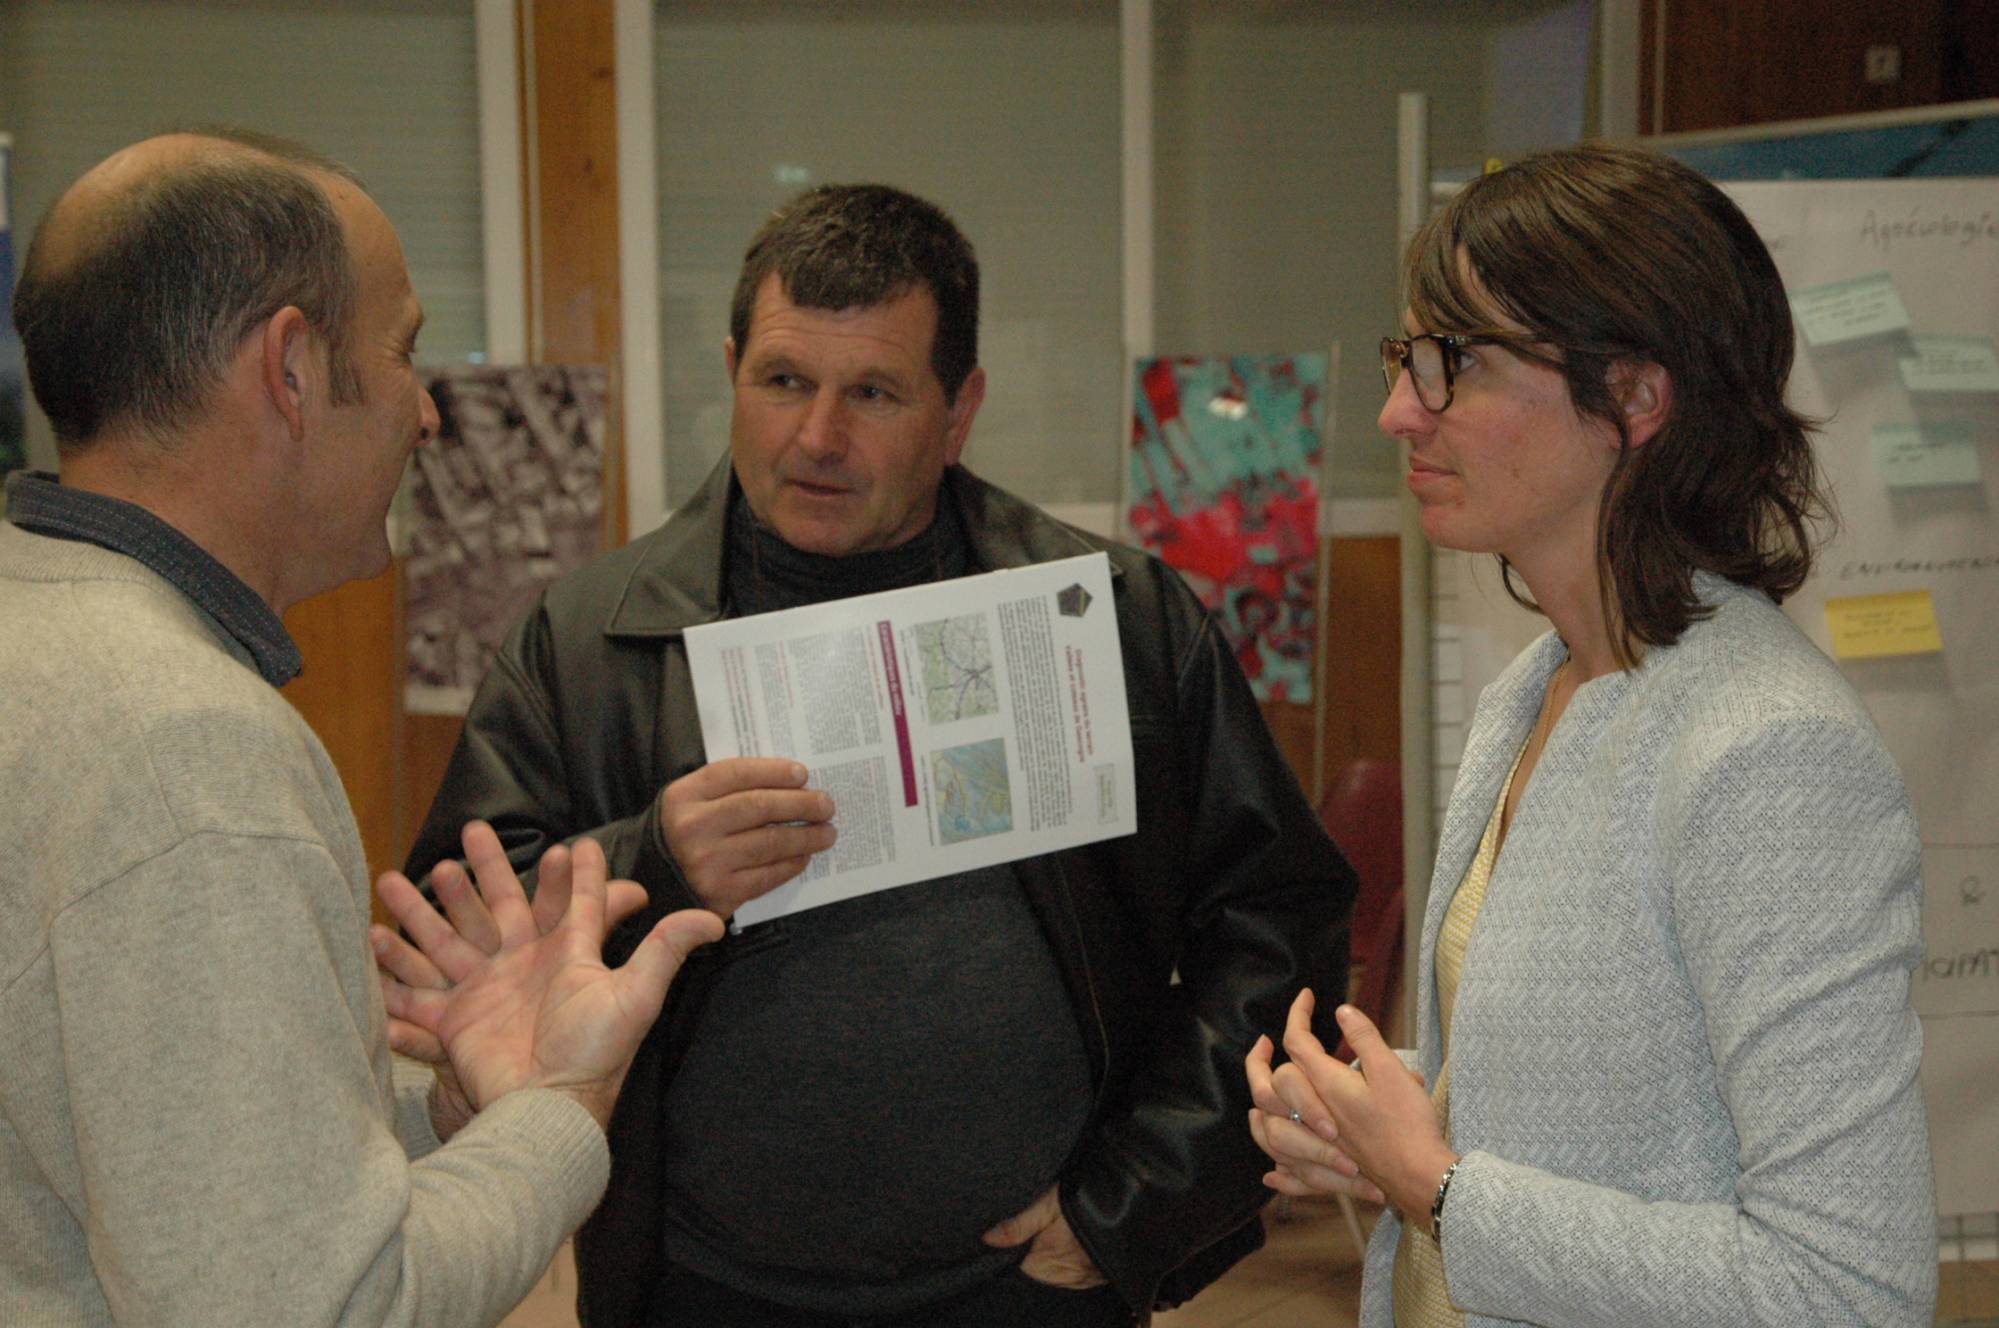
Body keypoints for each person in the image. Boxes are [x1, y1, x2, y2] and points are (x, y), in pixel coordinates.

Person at [406, 182, 1353, 1326]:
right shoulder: (586, 636)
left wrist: (1136, 1201)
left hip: (1030, 1287)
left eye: (874, 393)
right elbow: (456, 931)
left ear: (959, 412)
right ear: (731, 371)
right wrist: (651, 858)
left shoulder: (1113, 616)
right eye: (784, 381)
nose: (817, 437)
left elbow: (1277, 918)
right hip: (700, 1290)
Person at [0, 130, 722, 1326]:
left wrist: (440, 1113)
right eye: (403, 354)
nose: (428, 413)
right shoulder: (186, 755)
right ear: (289, 368)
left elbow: (158, 1176)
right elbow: (321, 1309)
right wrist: (563, 1105)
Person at [1245, 141, 1939, 1326]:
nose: (1396, 410)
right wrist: (1385, 1118)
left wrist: (1439, 1185)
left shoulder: (1768, 752)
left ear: (1631, 395)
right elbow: (1599, 1110)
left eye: (1447, 362)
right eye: (1403, 357)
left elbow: (1848, 1287)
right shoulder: (1541, 685)